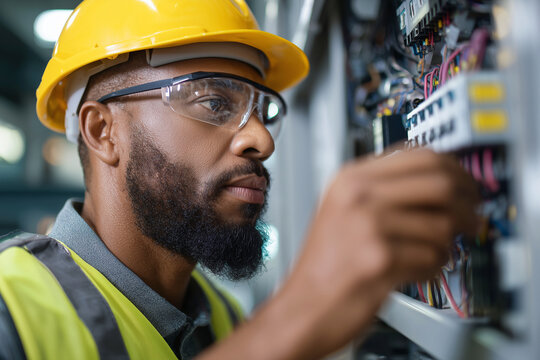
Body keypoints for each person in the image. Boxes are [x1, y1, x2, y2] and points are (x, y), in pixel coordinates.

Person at [0, 0, 479, 359]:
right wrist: (294, 318)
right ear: (103, 132)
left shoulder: (221, 317)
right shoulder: (12, 310)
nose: (262, 140)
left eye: (264, 110)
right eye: (213, 102)